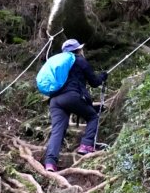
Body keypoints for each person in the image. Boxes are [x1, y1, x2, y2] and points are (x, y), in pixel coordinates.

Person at [43, 39, 108, 172]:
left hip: (55, 100)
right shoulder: (79, 60)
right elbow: (94, 82)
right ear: (78, 50)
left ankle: (50, 163)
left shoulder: (59, 64)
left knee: (57, 130)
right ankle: (86, 145)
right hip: (71, 96)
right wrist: (103, 76)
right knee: (92, 117)